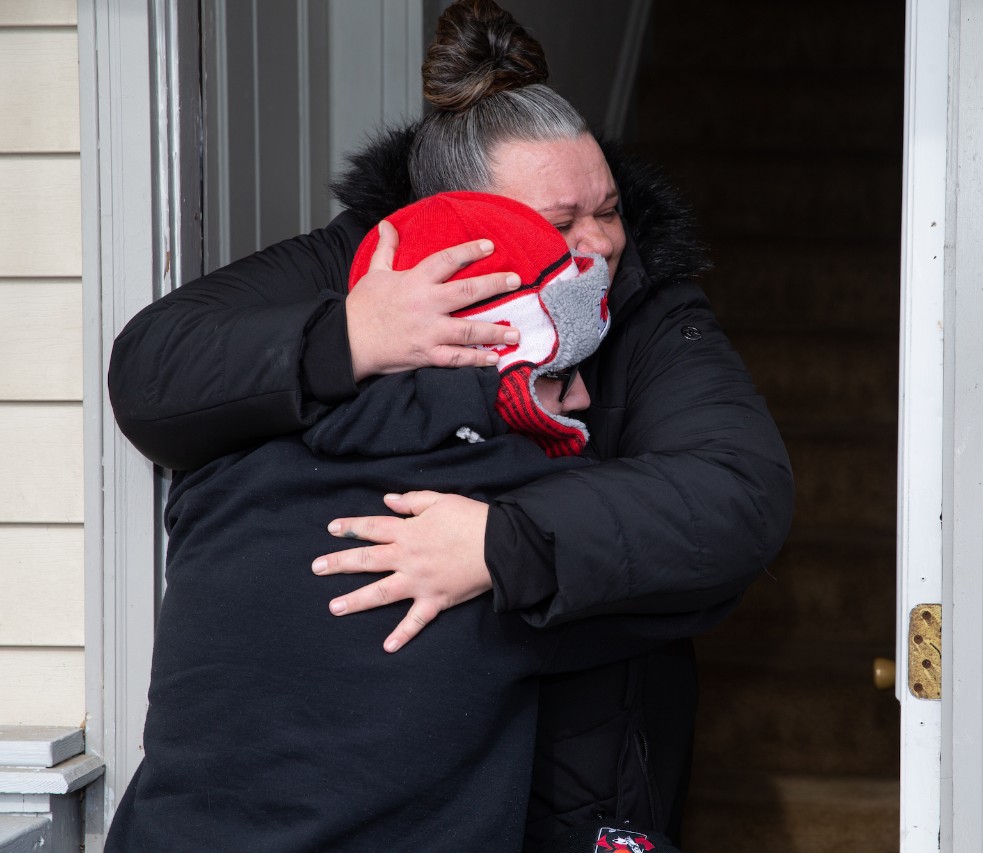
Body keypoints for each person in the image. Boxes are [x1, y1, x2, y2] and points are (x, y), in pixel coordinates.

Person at [106, 0, 793, 844]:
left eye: (608, 208)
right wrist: (352, 334)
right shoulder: (358, 263)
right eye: (560, 224)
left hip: (573, 784)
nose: (603, 244)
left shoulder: (647, 306)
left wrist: (500, 544)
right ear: (462, 227)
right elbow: (152, 369)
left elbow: (735, 498)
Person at [106, 191, 684, 852]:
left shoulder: (217, 466)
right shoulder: (508, 500)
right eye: (559, 371)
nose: (583, 395)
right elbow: (699, 568)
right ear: (493, 362)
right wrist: (507, 546)